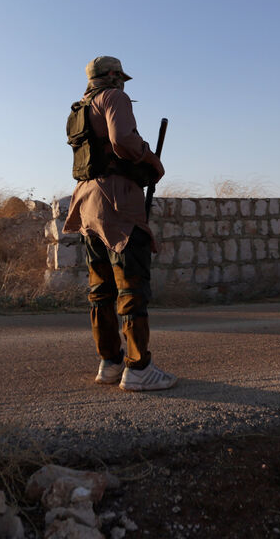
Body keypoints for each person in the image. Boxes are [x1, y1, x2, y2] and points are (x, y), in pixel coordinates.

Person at [63, 56, 176, 391]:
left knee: (100, 290)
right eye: (121, 78)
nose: (124, 84)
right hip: (115, 201)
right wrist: (151, 160)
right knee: (130, 287)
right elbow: (123, 141)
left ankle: (109, 363)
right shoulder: (114, 97)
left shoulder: (79, 108)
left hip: (86, 202)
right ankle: (139, 367)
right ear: (112, 77)